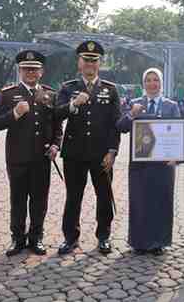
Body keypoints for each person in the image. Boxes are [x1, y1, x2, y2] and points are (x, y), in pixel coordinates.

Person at [0, 50, 63, 256]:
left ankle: (36, 238)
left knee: (39, 200)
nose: (31, 72)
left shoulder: (50, 94)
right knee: (17, 200)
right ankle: (17, 239)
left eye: (34, 69)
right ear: (20, 71)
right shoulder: (8, 94)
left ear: (41, 71)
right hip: (17, 158)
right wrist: (15, 113)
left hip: (42, 158)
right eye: (26, 69)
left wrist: (55, 145)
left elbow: (57, 124)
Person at [56, 41, 121, 255]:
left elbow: (115, 124)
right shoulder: (68, 88)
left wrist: (112, 151)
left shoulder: (110, 89)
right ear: (79, 62)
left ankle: (103, 236)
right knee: (73, 197)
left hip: (101, 154)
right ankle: (70, 238)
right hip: (74, 154)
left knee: (104, 196)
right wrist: (74, 104)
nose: (90, 64)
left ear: (99, 63)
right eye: (86, 60)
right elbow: (56, 114)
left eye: (94, 61)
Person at [116, 68, 180, 255]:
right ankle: (139, 242)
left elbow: (178, 132)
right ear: (143, 84)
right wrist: (131, 114)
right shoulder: (134, 103)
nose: (152, 84)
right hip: (140, 165)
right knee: (140, 201)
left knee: (161, 201)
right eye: (148, 80)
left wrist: (177, 157)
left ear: (161, 83)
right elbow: (121, 127)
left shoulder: (171, 106)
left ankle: (159, 242)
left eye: (156, 80)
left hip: (163, 165)